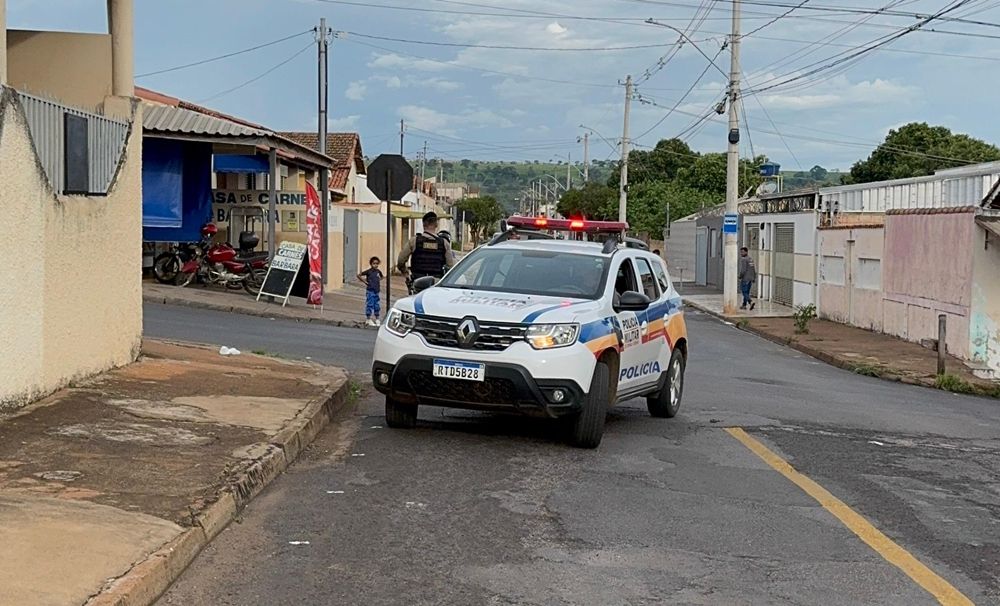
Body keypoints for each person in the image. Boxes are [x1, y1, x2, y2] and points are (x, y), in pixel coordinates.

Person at [397, 211, 456, 281]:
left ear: (423, 224)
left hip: (417, 280)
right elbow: (450, 265)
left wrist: (405, 272)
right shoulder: (444, 243)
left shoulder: (414, 241)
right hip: (436, 282)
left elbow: (401, 260)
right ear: (436, 224)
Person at [358, 256, 384, 327]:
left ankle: (377, 318)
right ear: (371, 264)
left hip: (376, 291)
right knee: (370, 304)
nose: (375, 265)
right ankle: (368, 318)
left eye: (377, 263)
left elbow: (382, 277)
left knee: (376, 305)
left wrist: (378, 281)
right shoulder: (369, 271)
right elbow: (359, 275)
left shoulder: (378, 272)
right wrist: (365, 282)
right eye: (374, 263)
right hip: (370, 290)